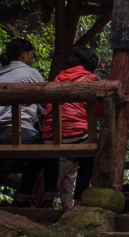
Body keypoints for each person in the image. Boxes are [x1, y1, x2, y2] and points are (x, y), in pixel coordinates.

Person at [0, 39, 60, 208]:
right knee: (49, 148)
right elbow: (49, 99)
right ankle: (47, 199)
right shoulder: (29, 73)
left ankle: (22, 200)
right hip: (18, 136)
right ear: (23, 54)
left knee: (38, 152)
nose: (33, 57)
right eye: (32, 53)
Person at [41, 47, 101, 209]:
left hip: (50, 136)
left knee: (61, 156)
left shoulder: (58, 78)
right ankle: (80, 200)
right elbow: (97, 111)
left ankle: (49, 197)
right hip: (77, 135)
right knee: (90, 156)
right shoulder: (91, 79)